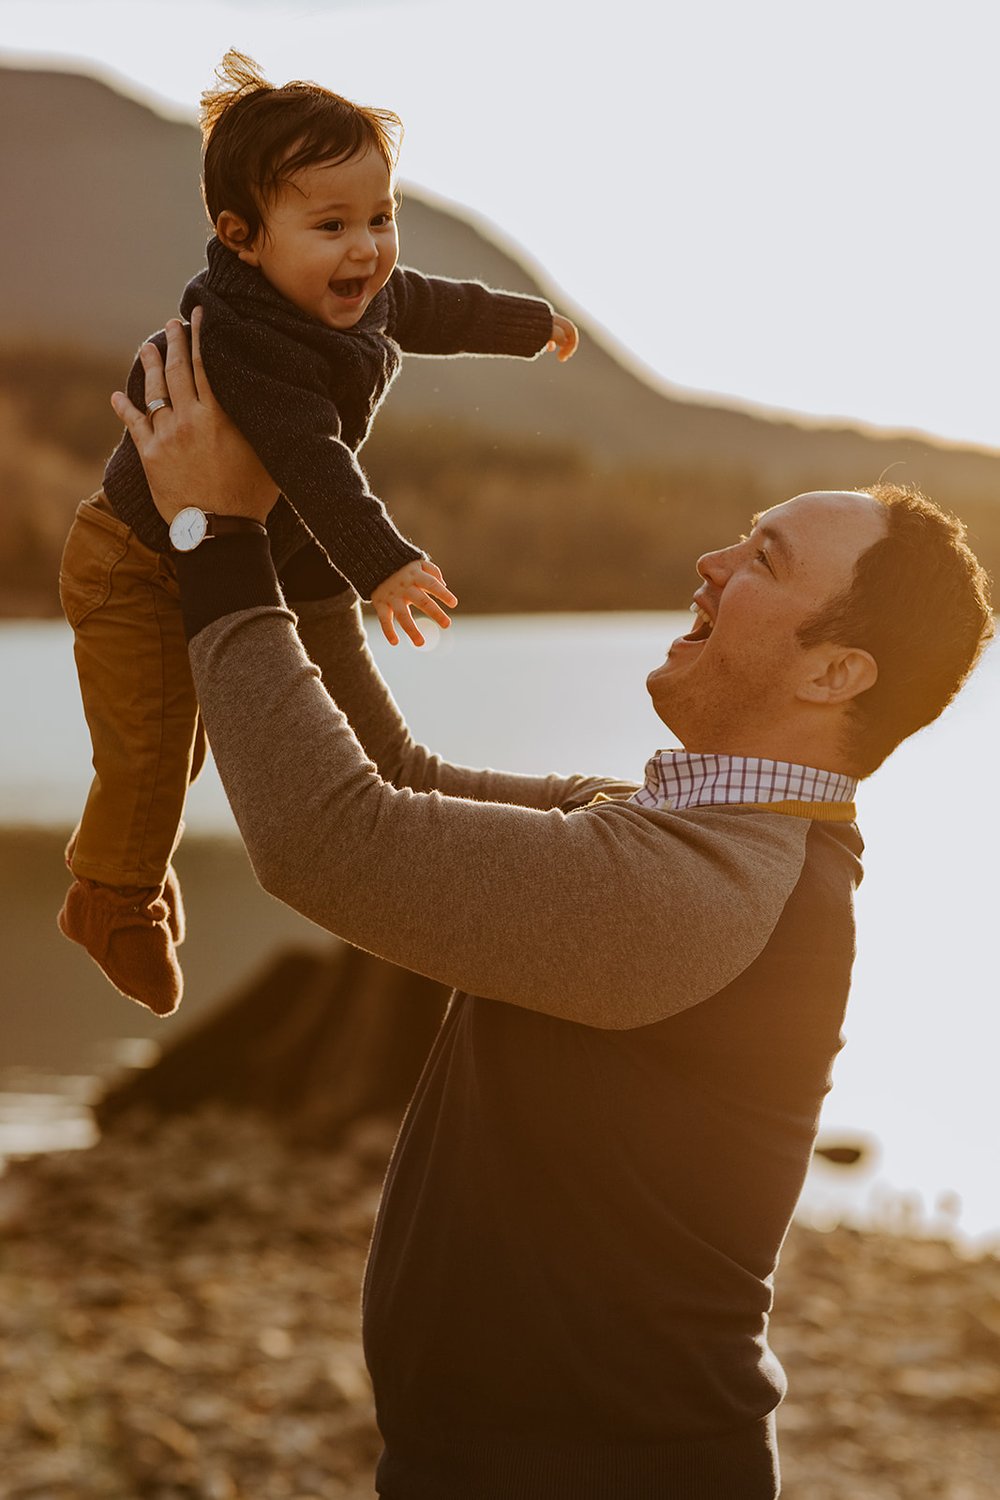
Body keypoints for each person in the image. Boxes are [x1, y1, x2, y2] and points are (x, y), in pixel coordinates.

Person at [114, 320, 991, 1500]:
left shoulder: (698, 893)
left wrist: (209, 534)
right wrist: (302, 525)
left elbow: (328, 838)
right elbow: (400, 781)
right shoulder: (681, 839)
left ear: (834, 673)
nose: (712, 563)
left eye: (764, 562)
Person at [57, 49, 578, 1016]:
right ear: (242, 238)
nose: (367, 250)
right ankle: (112, 897)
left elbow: (431, 302)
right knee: (158, 744)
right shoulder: (245, 338)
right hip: (136, 565)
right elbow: (312, 462)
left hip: (282, 552)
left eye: (380, 218)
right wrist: (382, 565)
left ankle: (509, 846)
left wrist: (522, 321)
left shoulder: (359, 292)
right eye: (331, 225)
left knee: (363, 751)